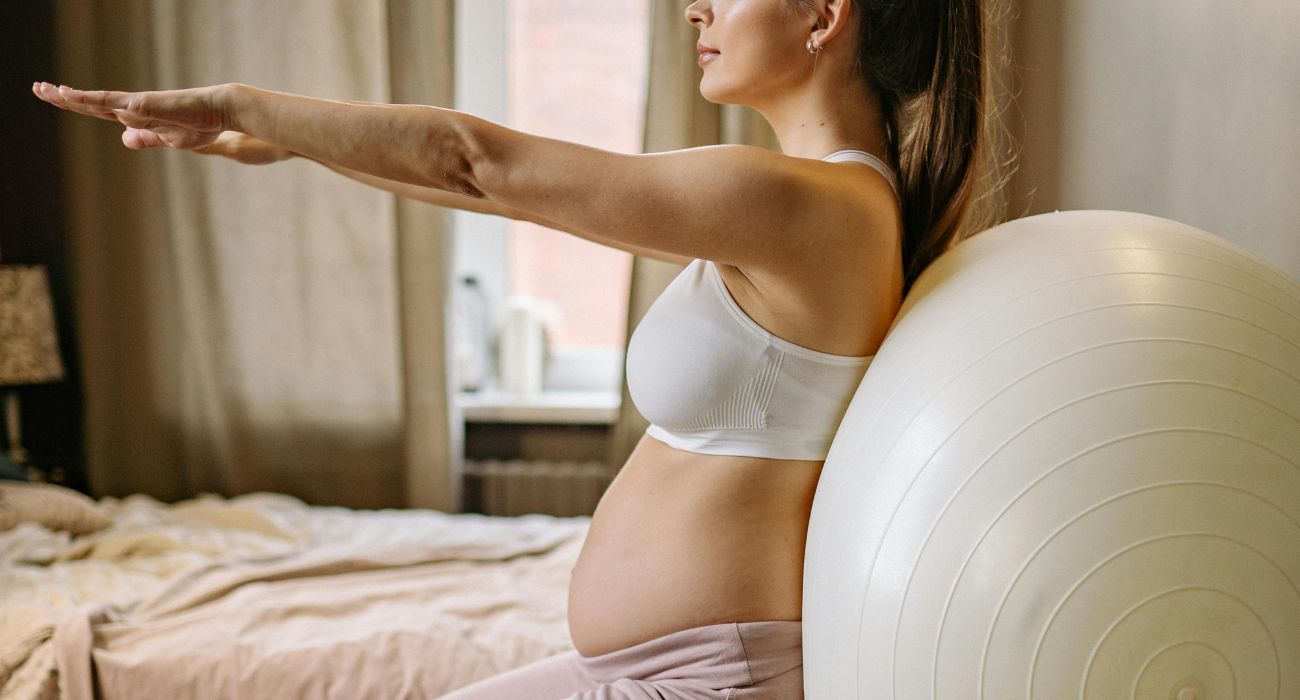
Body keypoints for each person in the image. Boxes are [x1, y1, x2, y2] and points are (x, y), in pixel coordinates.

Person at [33, 0, 999, 696]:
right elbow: (485, 186)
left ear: (824, 16)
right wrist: (305, 146)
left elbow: (478, 159)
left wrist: (249, 105)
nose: (694, 9)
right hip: (663, 666)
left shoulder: (808, 204)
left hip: (706, 682)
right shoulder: (806, 208)